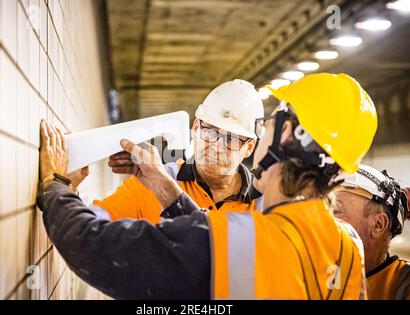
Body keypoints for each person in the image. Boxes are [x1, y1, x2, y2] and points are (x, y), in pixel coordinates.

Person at [37, 73, 377, 299]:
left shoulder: (239, 240)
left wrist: (57, 186)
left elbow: (95, 247)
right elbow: (210, 237)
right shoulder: (348, 248)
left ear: (285, 134)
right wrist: (165, 187)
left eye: (270, 122)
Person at [90, 79, 263, 224]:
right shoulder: (154, 180)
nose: (217, 146)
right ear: (195, 128)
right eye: (209, 131)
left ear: (249, 147)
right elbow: (91, 227)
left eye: (231, 139)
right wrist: (67, 184)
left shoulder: (264, 203)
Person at [333, 165, 410, 299]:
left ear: (378, 224)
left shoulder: (403, 282)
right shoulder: (310, 274)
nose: (324, 221)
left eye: (337, 212)